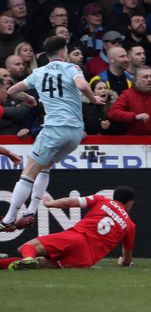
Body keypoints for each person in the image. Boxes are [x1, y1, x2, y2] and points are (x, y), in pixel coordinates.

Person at [1, 36, 102, 231]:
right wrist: (93, 98)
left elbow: (12, 90)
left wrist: (29, 97)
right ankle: (30, 210)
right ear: (64, 52)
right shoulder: (72, 68)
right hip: (75, 134)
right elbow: (82, 85)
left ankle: (8, 219)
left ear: (47, 55)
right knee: (45, 167)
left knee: (28, 172)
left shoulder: (38, 72)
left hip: (54, 129)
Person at [1, 186, 136, 270]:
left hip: (76, 238)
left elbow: (71, 202)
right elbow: (127, 258)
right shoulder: (130, 225)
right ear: (130, 203)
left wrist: (49, 203)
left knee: (26, 248)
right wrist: (123, 261)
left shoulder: (103, 200)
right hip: (85, 259)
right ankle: (26, 262)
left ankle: (28, 258)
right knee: (41, 265)